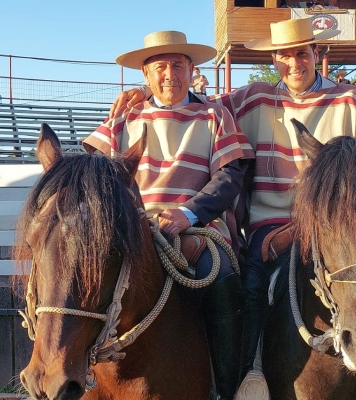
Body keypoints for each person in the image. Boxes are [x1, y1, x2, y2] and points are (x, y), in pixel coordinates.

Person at [108, 18, 356, 400]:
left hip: (342, 227)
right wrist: (142, 92)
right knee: (252, 286)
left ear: (317, 54)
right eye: (284, 56)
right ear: (274, 60)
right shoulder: (251, 98)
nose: (294, 63)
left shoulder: (355, 101)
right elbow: (184, 106)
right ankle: (250, 376)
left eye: (302, 53)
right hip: (271, 228)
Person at [82, 30, 255, 400]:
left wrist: (188, 214)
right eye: (160, 67)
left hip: (198, 227)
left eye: (178, 65)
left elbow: (229, 177)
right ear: (145, 75)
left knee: (222, 276)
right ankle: (71, 373)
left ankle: (228, 386)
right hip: (133, 229)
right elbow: (96, 170)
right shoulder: (123, 117)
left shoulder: (214, 115)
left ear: (192, 70)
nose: (169, 75)